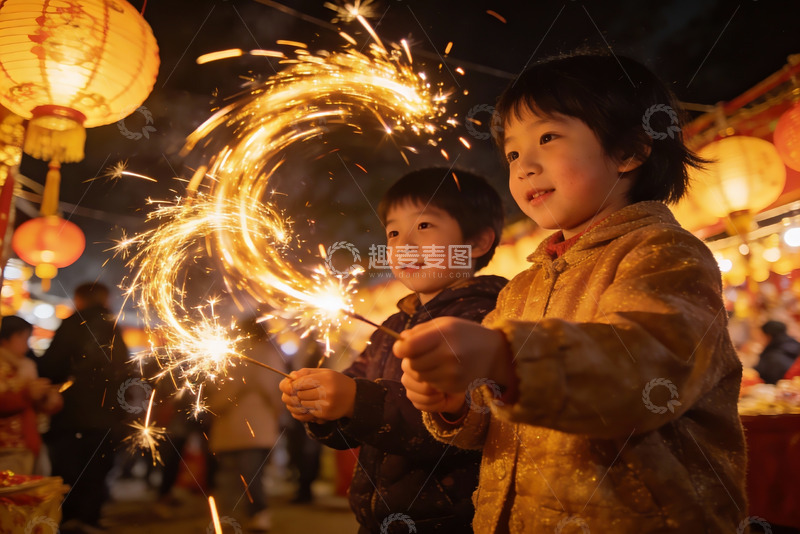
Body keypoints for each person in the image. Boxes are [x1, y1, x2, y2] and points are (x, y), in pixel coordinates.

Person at [394, 52, 748, 532]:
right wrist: (455, 401)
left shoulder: (664, 255)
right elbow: (498, 423)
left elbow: (642, 373)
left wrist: (503, 355)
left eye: (547, 137)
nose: (523, 166)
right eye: (513, 153)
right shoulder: (521, 288)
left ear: (630, 149)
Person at [280, 168, 507, 533]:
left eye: (425, 227)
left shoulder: (486, 317)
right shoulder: (392, 326)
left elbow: (457, 424)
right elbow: (354, 404)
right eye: (394, 232)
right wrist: (320, 407)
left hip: (452, 521)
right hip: (376, 520)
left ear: (478, 242)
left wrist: (356, 400)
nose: (404, 244)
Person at [36, 282, 131, 533]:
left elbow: (52, 365)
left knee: (68, 470)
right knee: (97, 470)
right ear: (103, 298)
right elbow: (125, 372)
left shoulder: (71, 324)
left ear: (79, 299)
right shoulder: (112, 328)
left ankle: (69, 518)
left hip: (71, 415)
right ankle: (90, 519)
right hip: (106, 417)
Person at [207, 316, 284, 532]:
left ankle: (231, 518)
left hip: (233, 428)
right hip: (256, 429)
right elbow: (276, 393)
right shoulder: (269, 355)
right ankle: (254, 515)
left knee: (232, 476)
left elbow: (217, 395)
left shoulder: (229, 357)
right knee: (251, 475)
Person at [0, 315, 62, 474]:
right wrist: (28, 394)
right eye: (23, 338)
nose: (27, 346)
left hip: (28, 444)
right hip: (6, 450)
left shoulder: (26, 366)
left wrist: (47, 397)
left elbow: (33, 405)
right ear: (6, 338)